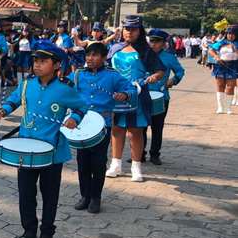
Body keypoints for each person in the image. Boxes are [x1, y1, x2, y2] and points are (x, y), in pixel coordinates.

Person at [0, 42, 87, 238]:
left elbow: (82, 107)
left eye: (43, 61)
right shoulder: (27, 85)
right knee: (26, 193)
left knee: (50, 194)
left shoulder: (64, 89)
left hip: (52, 152)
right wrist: (3, 110)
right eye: (35, 60)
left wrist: (74, 118)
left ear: (56, 65)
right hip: (26, 149)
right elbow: (14, 101)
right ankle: (28, 232)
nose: (37, 64)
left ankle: (46, 235)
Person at [68, 41, 136, 213]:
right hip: (81, 124)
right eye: (88, 55)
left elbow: (131, 89)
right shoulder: (78, 75)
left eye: (95, 55)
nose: (90, 58)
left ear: (104, 58)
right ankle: (85, 196)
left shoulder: (112, 76)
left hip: (102, 126)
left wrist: (124, 94)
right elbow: (63, 88)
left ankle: (96, 198)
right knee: (82, 162)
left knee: (98, 163)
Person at [105, 16, 165, 182]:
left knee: (135, 131)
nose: (129, 32)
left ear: (140, 31)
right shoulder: (114, 48)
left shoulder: (145, 51)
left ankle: (136, 166)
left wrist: (154, 77)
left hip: (138, 95)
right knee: (116, 129)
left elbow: (160, 71)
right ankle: (115, 164)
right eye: (126, 28)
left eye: (133, 29)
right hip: (117, 95)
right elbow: (107, 69)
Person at [144, 30, 184, 164]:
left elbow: (180, 71)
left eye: (157, 41)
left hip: (162, 97)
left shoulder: (169, 57)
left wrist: (173, 81)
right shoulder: (143, 55)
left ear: (163, 43)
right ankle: (140, 153)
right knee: (141, 126)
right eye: (151, 41)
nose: (153, 44)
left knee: (157, 127)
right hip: (143, 95)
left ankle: (155, 154)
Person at [209, 24, 238, 113]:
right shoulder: (221, 42)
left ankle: (228, 108)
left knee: (230, 87)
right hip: (221, 66)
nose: (230, 35)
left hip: (233, 66)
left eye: (233, 33)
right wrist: (216, 57)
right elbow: (211, 50)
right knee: (220, 86)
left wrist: (235, 49)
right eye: (229, 33)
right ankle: (220, 107)